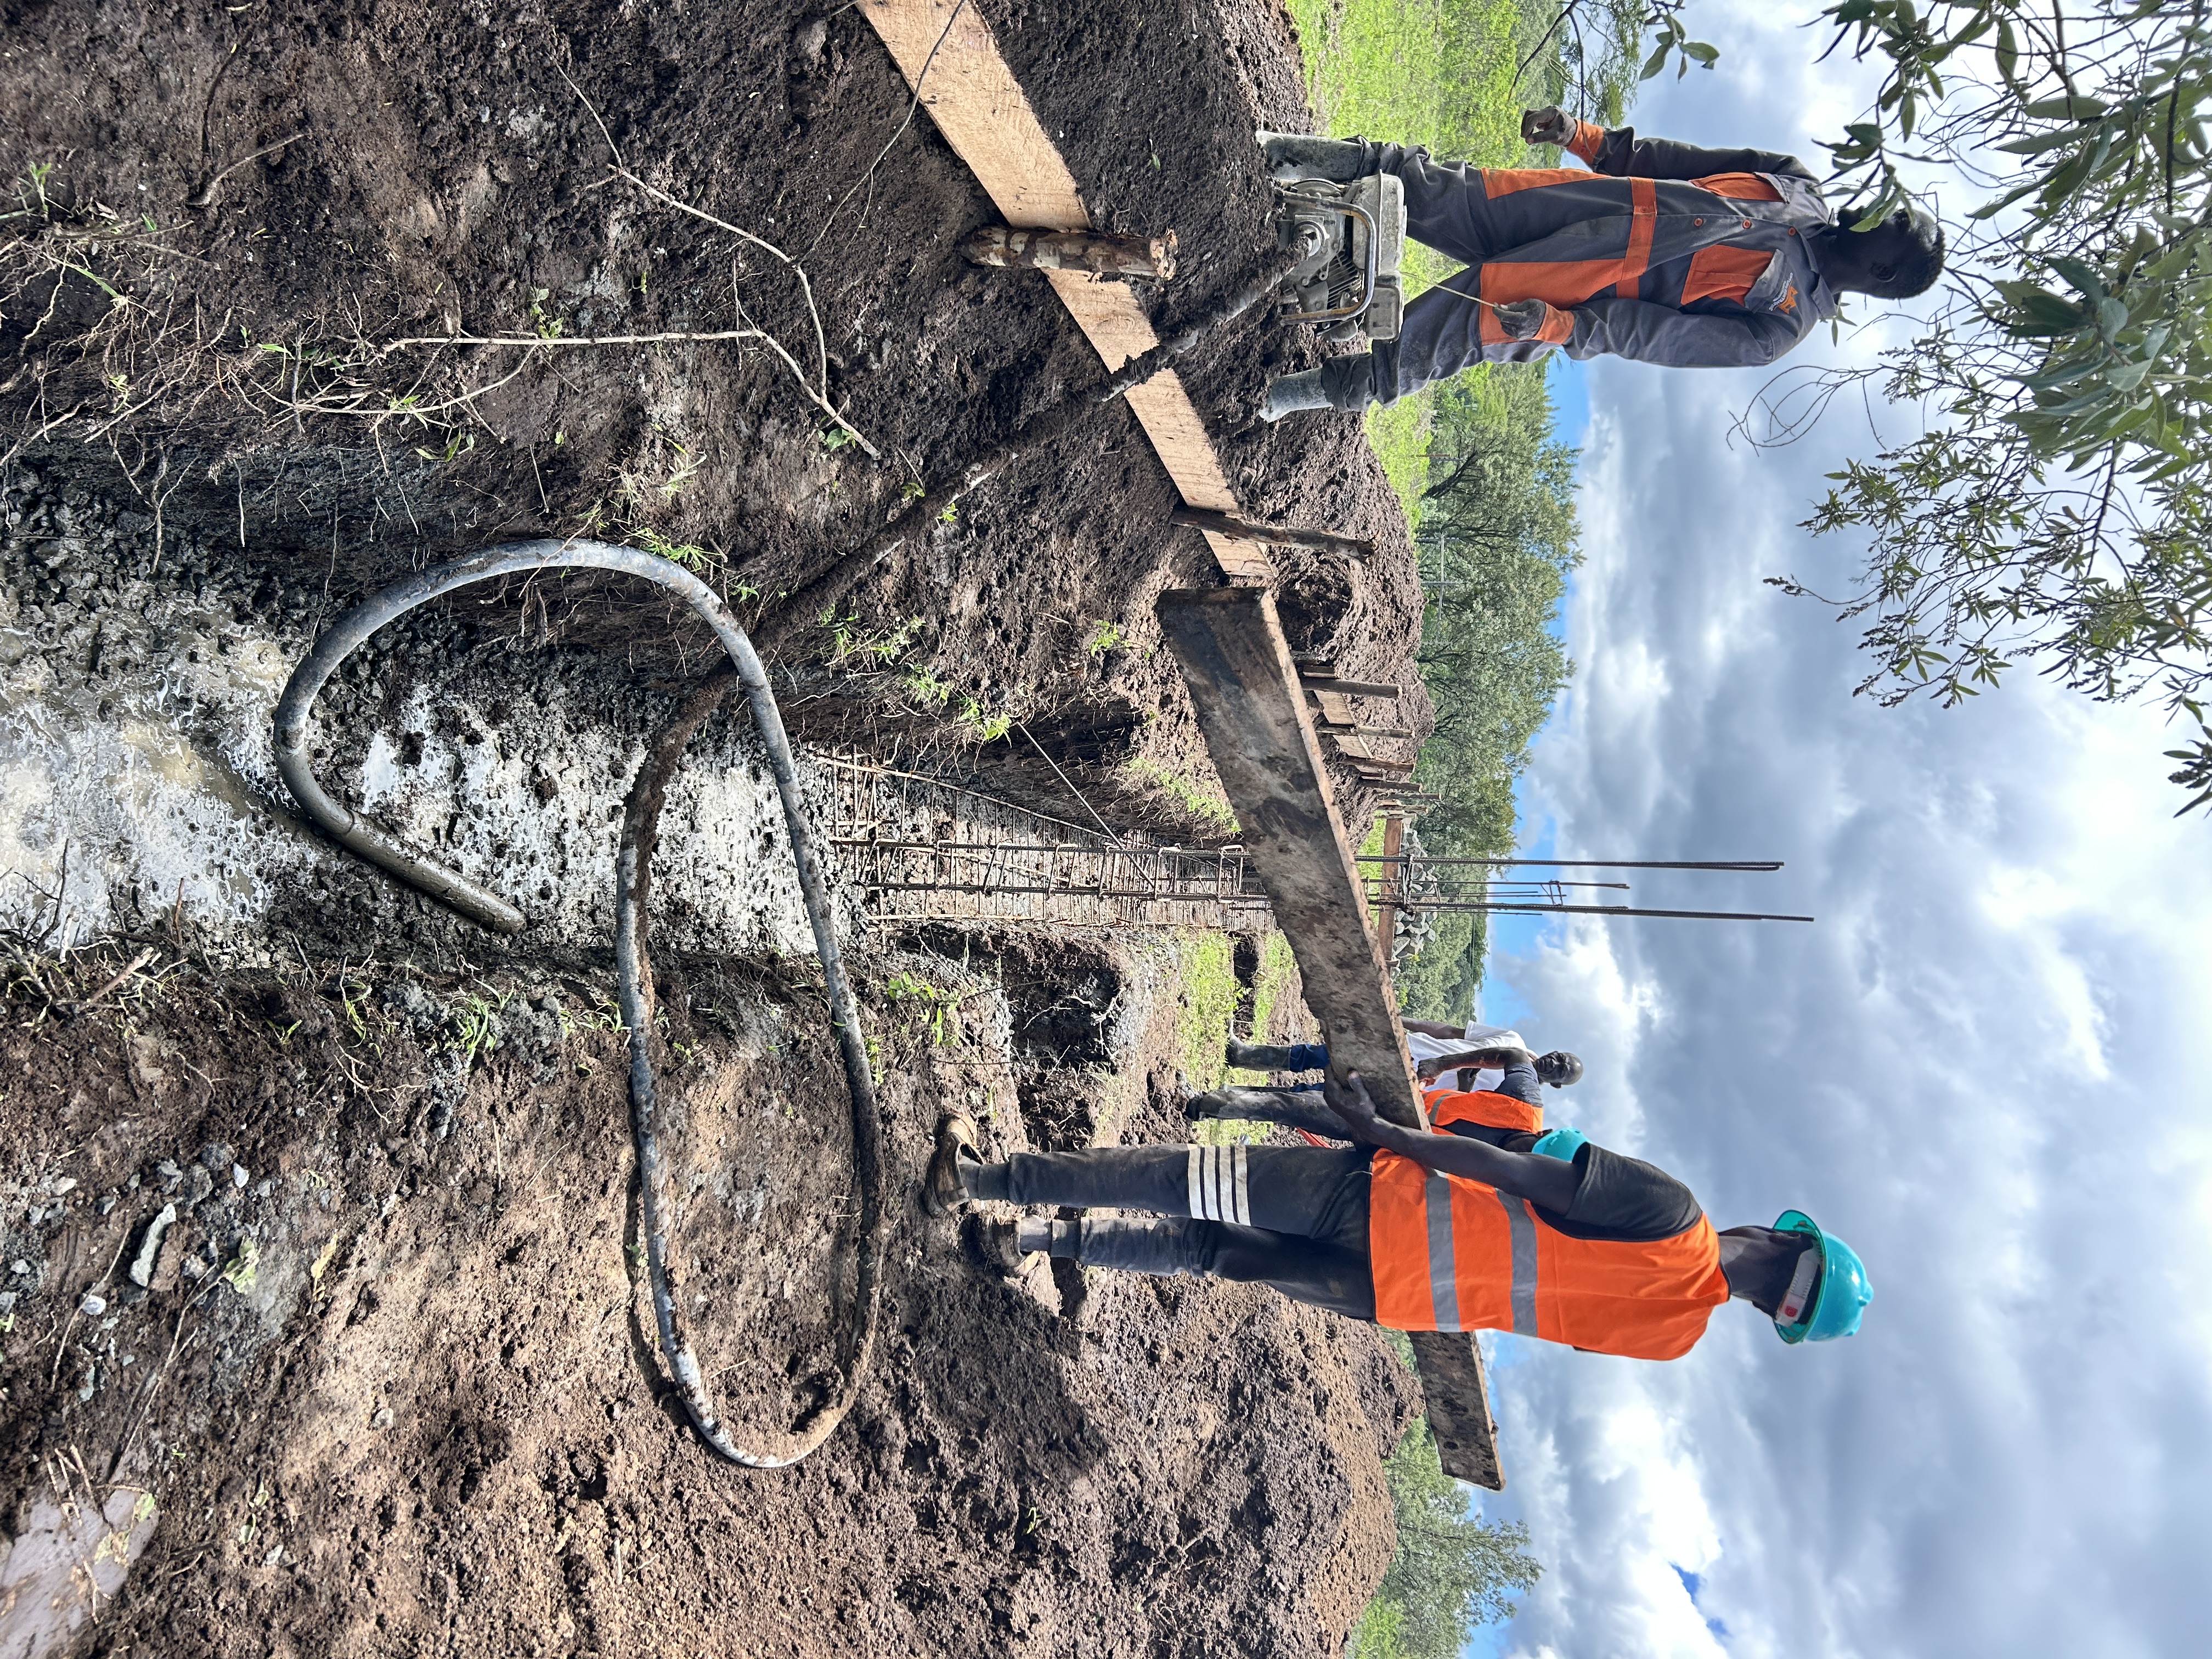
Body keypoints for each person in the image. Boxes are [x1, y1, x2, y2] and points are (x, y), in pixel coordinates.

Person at [922, 1073, 1870, 1359]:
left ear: (1784, 1238)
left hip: (1382, 1203)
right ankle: (1040, 1236)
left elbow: (1508, 1165)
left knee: (1184, 1179)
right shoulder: (1672, 1336)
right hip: (1395, 1296)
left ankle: (986, 1182)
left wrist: (1383, 1132)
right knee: (1212, 1249)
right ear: (1773, 1312)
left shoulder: (1678, 1216)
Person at [1257, 106, 1946, 421]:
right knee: (1416, 179)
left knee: (1418, 349)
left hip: (1564, 292)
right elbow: (1676, 164)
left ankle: (1270, 397)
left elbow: (1647, 334)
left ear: (1885, 274)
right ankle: (1270, 154)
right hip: (1568, 205)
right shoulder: (1796, 184)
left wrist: (1558, 327)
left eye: (1893, 224)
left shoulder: (1777, 327)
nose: (1879, 209)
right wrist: (1579, 136)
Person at [1188, 1033, 1587, 1158]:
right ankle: (1218, 1097)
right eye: (1534, 1145)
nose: (1523, 1152)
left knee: (1296, 1109)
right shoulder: (1524, 1101)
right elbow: (1512, 1054)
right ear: (1542, 1131)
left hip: (1384, 1138)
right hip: (1401, 1089)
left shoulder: (1507, 1179)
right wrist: (1445, 1065)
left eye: (1562, 1071)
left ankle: (1212, 1105)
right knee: (1305, 1088)